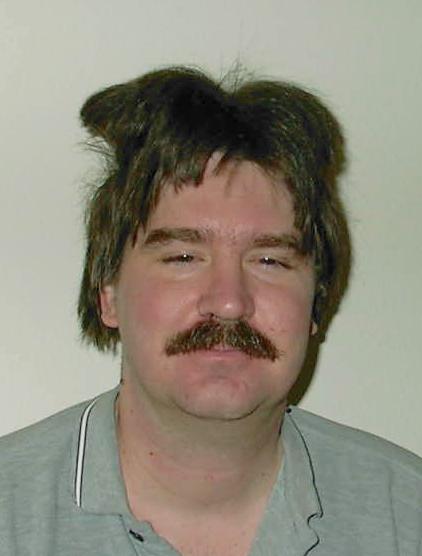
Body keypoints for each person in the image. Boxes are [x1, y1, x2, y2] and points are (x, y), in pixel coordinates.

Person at [1, 66, 421, 556]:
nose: (228, 301)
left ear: (315, 302)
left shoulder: (407, 517)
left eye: (270, 261)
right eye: (183, 257)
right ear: (108, 292)